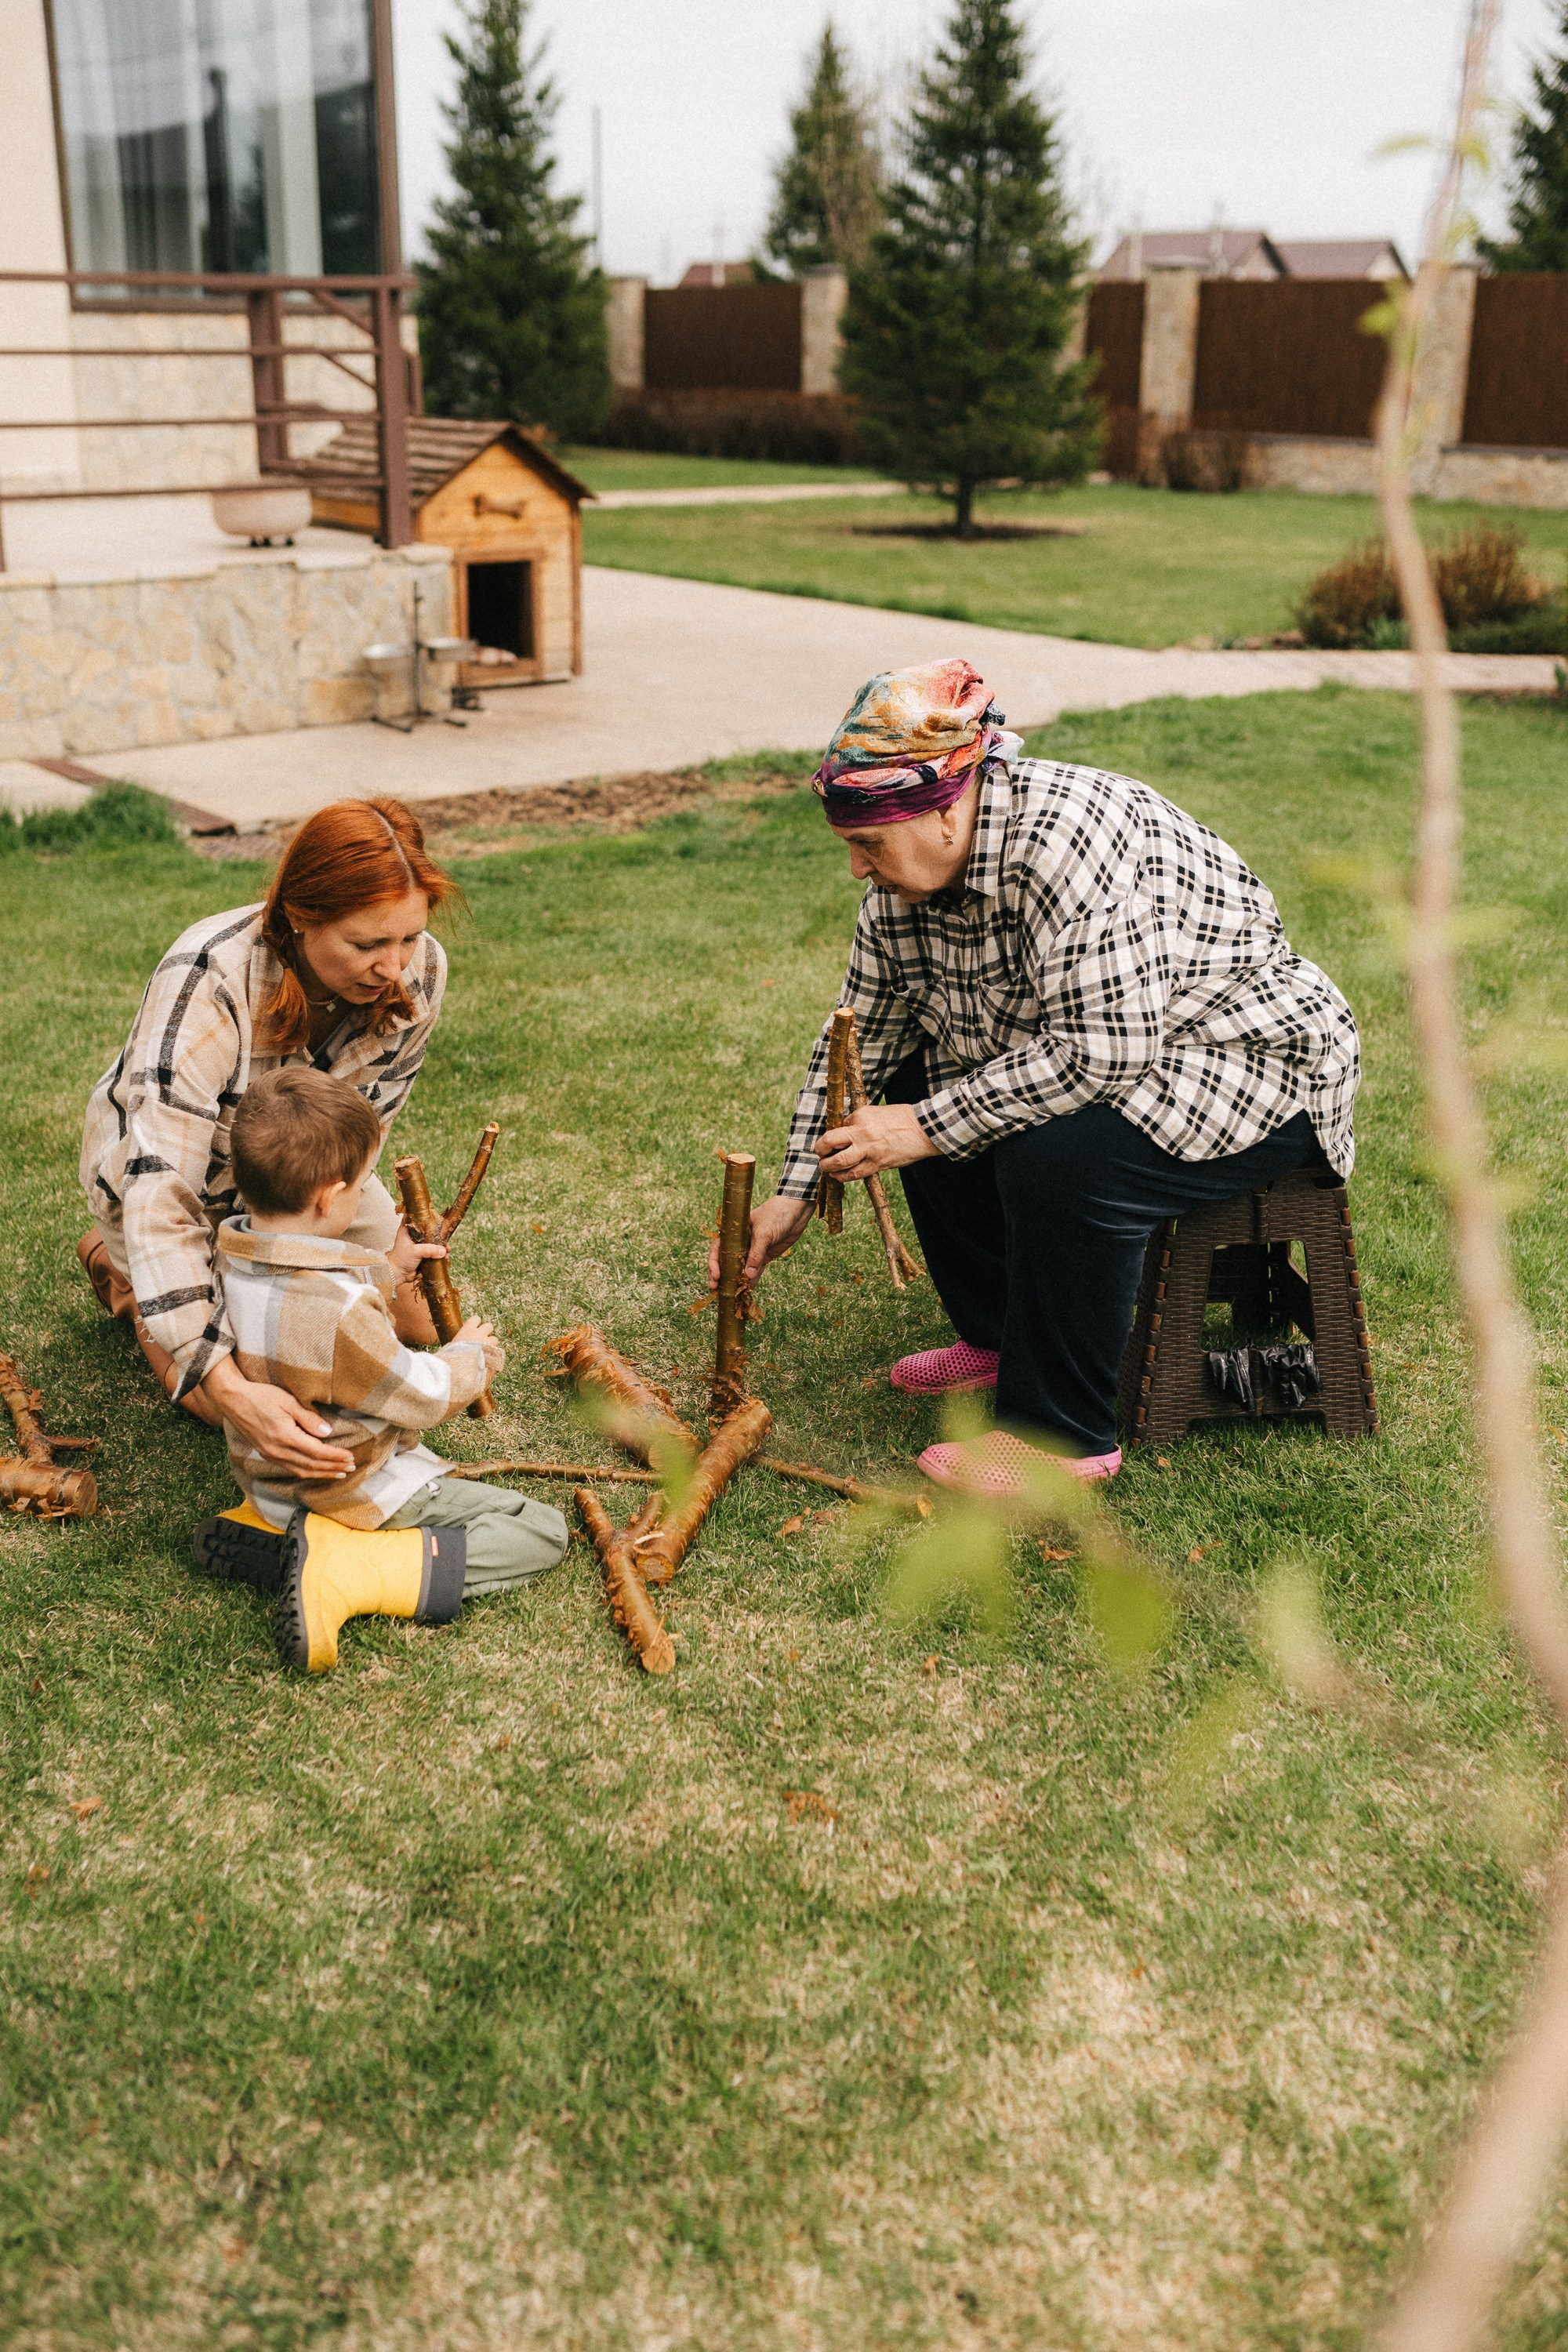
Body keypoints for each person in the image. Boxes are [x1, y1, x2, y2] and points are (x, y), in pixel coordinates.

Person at [728, 659, 1360, 1498]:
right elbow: (858, 1043)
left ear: (945, 810)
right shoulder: (897, 900)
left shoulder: (1066, 839)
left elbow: (1104, 1052)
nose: (855, 869)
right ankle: (999, 1339)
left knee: (1056, 1153)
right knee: (919, 1082)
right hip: (1123, 1053)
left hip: (1248, 1066)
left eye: (866, 845)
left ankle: (1060, 1438)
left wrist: (919, 1126)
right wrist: (793, 1191)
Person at [78, 797, 456, 1490]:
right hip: (176, 1190)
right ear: (299, 918)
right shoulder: (208, 976)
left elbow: (365, 1132)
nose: (396, 968)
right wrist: (228, 1387)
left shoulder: (420, 971)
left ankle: (195, 1300)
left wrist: (350, 1260)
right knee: (263, 1392)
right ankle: (129, 1283)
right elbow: (163, 1191)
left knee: (417, 1329)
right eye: (368, 945)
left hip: (302, 1181)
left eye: (407, 938)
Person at [192, 1067, 568, 1672]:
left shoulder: (228, 1260)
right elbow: (417, 1394)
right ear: (327, 1197)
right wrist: (473, 1358)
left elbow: (308, 1297)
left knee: (525, 1524)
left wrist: (386, 1271)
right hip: (348, 1488)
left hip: (267, 1485)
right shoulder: (340, 1314)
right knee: (540, 1530)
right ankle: (351, 1569)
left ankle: (273, 1537)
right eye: (361, 1185)